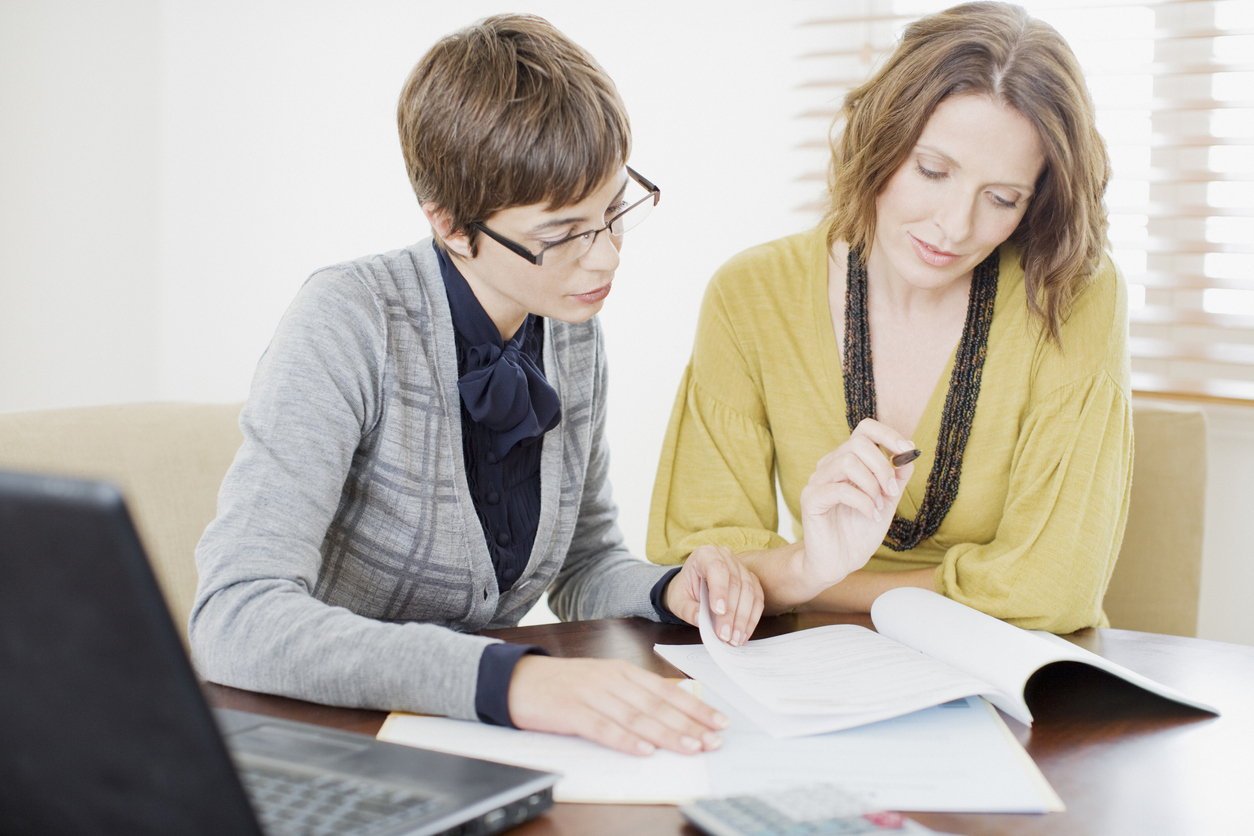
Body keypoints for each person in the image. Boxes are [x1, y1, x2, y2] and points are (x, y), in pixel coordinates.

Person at [190, 14, 763, 757]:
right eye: (561, 234)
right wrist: (510, 680)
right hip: (319, 743)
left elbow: (585, 560)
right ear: (452, 226)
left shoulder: (571, 325)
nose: (604, 260)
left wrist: (668, 590)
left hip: (468, 739)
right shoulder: (346, 321)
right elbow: (236, 617)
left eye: (614, 211)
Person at [647, 1, 1130, 633]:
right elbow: (701, 559)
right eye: (932, 171)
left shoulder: (1071, 292)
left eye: (1002, 198)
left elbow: (1052, 587)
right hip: (819, 670)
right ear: (880, 140)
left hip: (1011, 685)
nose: (955, 226)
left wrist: (810, 580)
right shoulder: (751, 294)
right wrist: (801, 572)